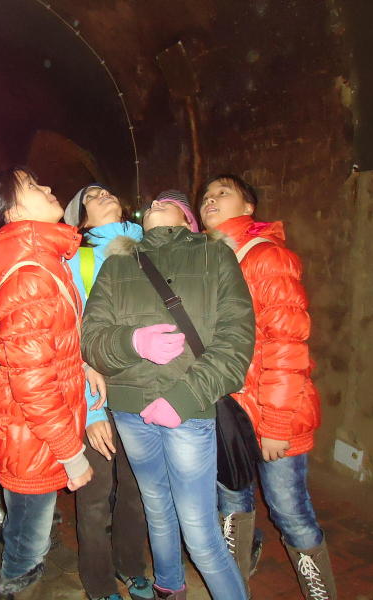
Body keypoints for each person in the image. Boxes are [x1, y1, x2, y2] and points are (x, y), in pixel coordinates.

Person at [81, 190, 254, 600]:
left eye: (170, 201)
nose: (157, 202)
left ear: (188, 219)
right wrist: (132, 342)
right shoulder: (119, 262)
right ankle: (169, 587)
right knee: (156, 509)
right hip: (131, 411)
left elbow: (237, 340)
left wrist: (183, 397)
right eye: (154, 201)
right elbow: (91, 338)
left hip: (188, 411)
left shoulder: (215, 256)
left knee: (200, 532)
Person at [199, 175, 336, 600]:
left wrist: (275, 423)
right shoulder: (208, 260)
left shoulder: (266, 257)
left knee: (289, 509)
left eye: (223, 193)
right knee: (231, 504)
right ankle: (233, 587)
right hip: (229, 412)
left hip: (273, 408)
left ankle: (320, 592)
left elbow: (286, 343)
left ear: (248, 207)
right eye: (206, 196)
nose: (210, 200)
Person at [0, 167, 94, 599]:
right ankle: (16, 584)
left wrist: (84, 365)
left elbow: (51, 346)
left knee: (28, 522)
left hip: (32, 430)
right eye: (32, 186)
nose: (48, 187)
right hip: (31, 434)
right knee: (27, 541)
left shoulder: (43, 259)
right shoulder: (29, 273)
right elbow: (33, 381)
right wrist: (71, 452)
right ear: (11, 211)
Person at [64, 184, 152, 600]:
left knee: (136, 491)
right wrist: (93, 412)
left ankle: (130, 565)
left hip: (144, 392)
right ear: (81, 221)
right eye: (90, 197)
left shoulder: (148, 250)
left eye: (105, 190)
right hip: (97, 393)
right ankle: (99, 583)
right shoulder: (78, 261)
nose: (102, 194)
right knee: (96, 497)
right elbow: (72, 338)